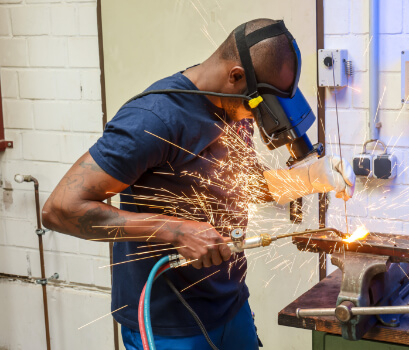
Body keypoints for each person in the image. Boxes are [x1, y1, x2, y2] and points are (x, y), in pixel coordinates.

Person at [42, 18, 355, 350]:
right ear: (235, 76)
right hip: (167, 324)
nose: (254, 117)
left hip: (231, 307)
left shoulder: (234, 106)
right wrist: (174, 231)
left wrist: (311, 178)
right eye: (255, 106)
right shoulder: (153, 119)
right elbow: (60, 210)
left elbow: (243, 184)